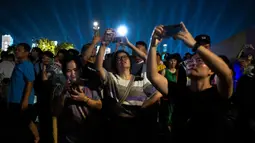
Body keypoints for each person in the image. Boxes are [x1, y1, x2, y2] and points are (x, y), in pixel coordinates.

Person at [147, 22, 233, 143]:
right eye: (191, 60)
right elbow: (153, 76)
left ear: (211, 70)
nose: (193, 63)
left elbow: (227, 74)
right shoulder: (180, 91)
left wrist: (195, 45)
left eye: (199, 60)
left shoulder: (218, 94)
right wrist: (153, 44)